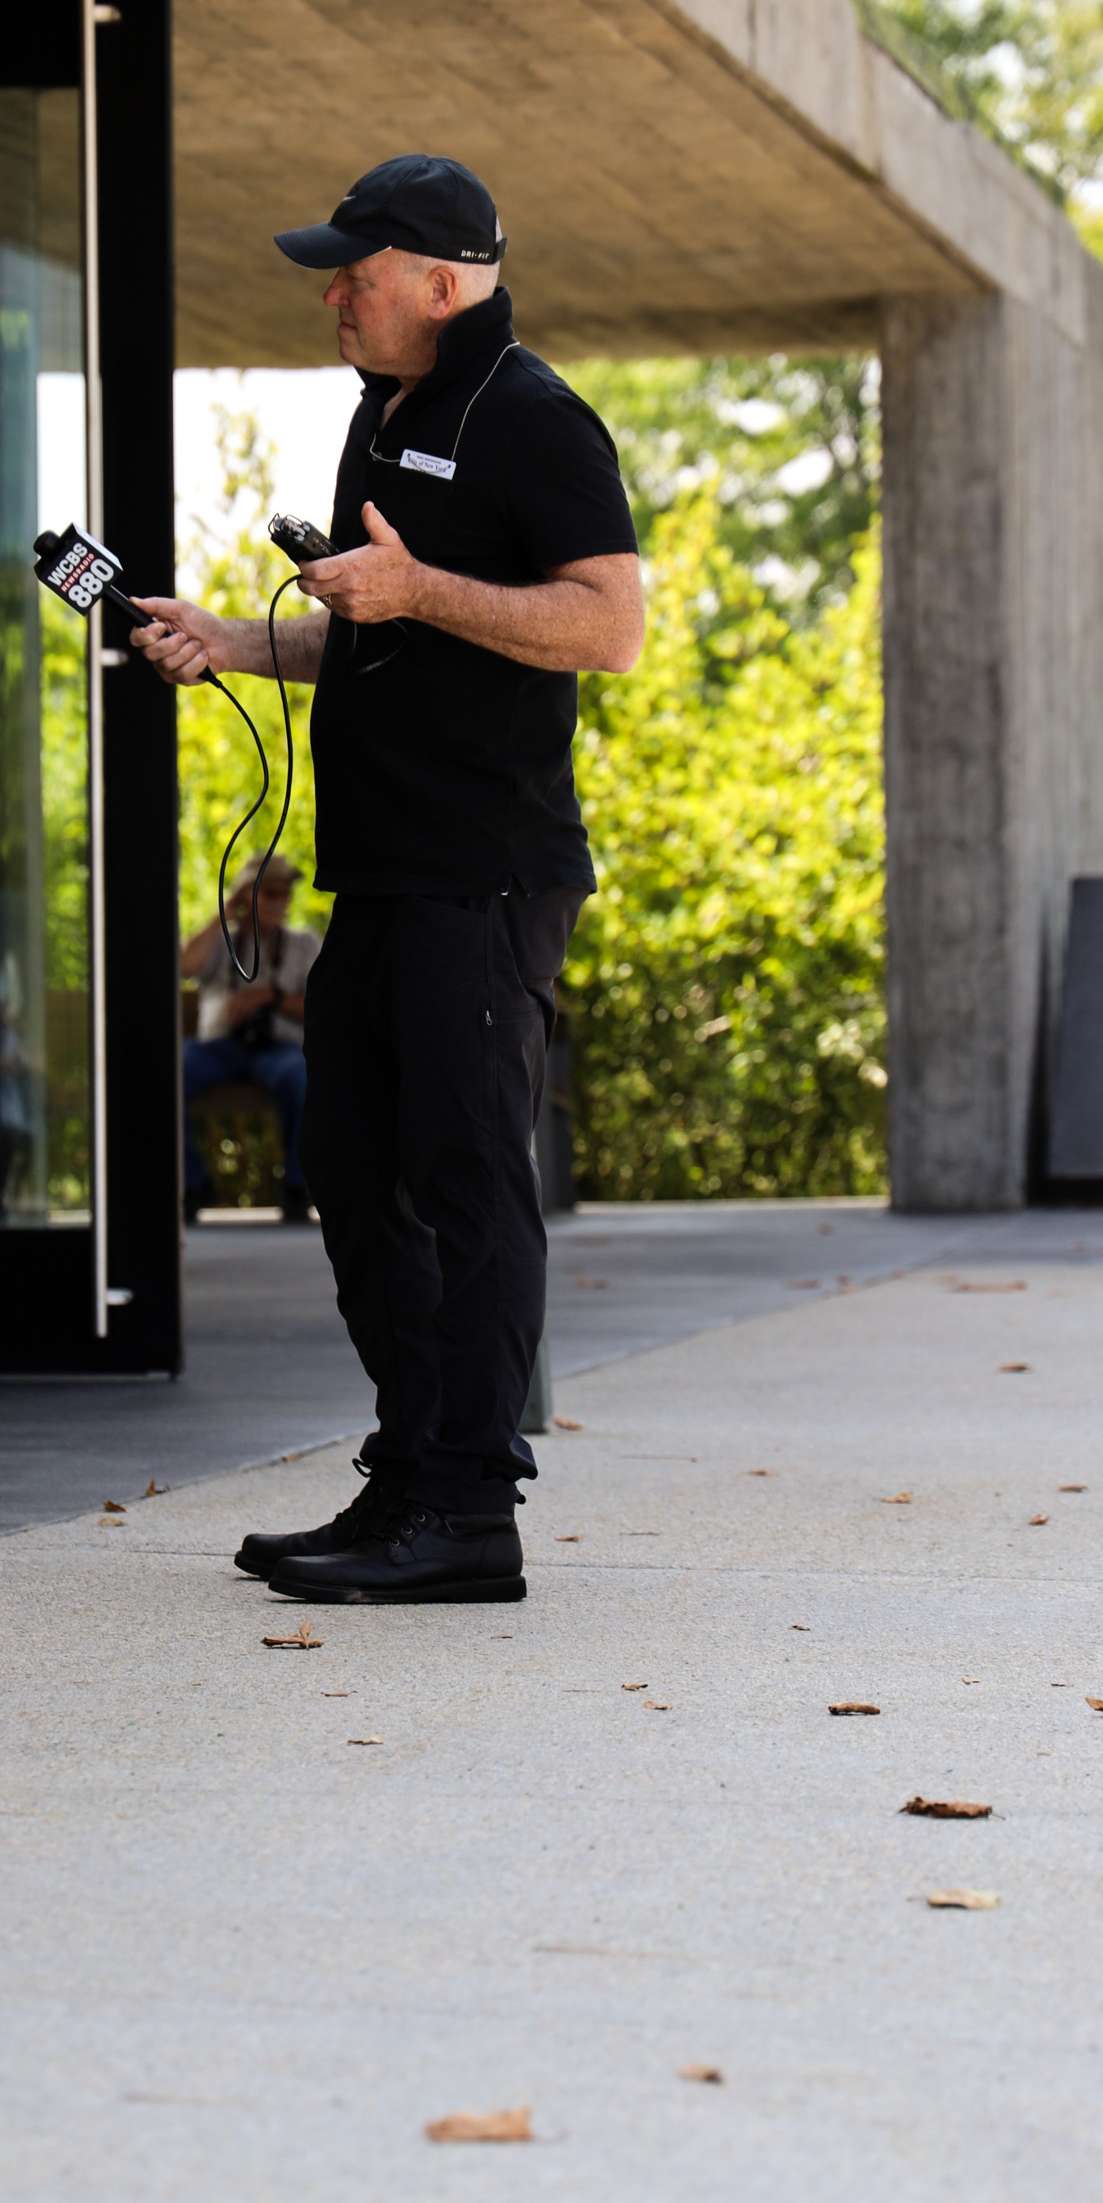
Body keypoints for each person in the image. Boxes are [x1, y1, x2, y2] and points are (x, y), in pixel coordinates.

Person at [132, 154, 642, 1603]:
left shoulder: (535, 418)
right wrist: (240, 639)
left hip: (484, 876)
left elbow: (609, 627)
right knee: (350, 1165)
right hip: (381, 874)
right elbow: (373, 634)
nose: (335, 295)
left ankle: (474, 1513)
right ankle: (415, 1464)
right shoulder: (383, 413)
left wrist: (420, 589)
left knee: (470, 1181)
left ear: (442, 278)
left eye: (356, 274)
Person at [180, 857, 320, 1222]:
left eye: (285, 894)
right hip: (219, 1049)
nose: (279, 901)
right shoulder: (222, 940)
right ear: (248, 896)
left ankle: (296, 1185)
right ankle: (191, 1183)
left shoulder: (304, 944)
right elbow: (185, 966)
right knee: (171, 1069)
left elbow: (322, 1009)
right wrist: (225, 914)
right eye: (268, 893)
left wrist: (266, 996)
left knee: (300, 1076)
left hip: (279, 1049)